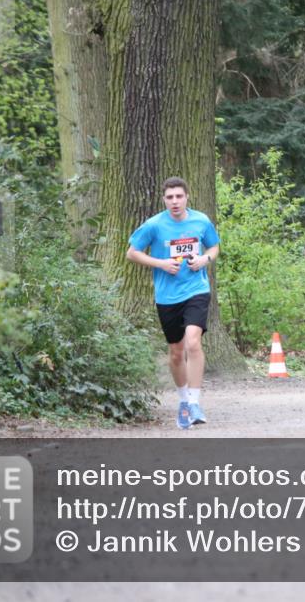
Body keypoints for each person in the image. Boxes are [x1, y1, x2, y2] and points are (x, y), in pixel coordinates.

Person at [127, 177, 220, 429]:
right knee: (176, 352)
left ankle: (195, 402)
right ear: (164, 200)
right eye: (170, 197)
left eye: (179, 196)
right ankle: (183, 401)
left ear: (187, 197)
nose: (175, 201)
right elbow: (132, 252)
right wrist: (161, 264)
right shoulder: (154, 225)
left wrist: (204, 260)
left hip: (196, 290)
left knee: (193, 341)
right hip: (167, 297)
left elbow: (214, 247)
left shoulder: (201, 220)